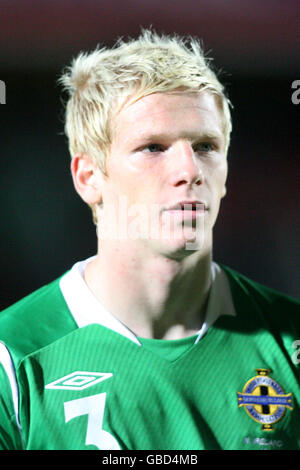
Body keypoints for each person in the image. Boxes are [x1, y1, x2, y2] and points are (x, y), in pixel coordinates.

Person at [0, 29, 299, 451]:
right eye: (153, 147)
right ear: (88, 178)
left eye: (206, 146)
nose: (189, 169)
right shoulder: (13, 361)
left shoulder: (291, 343)